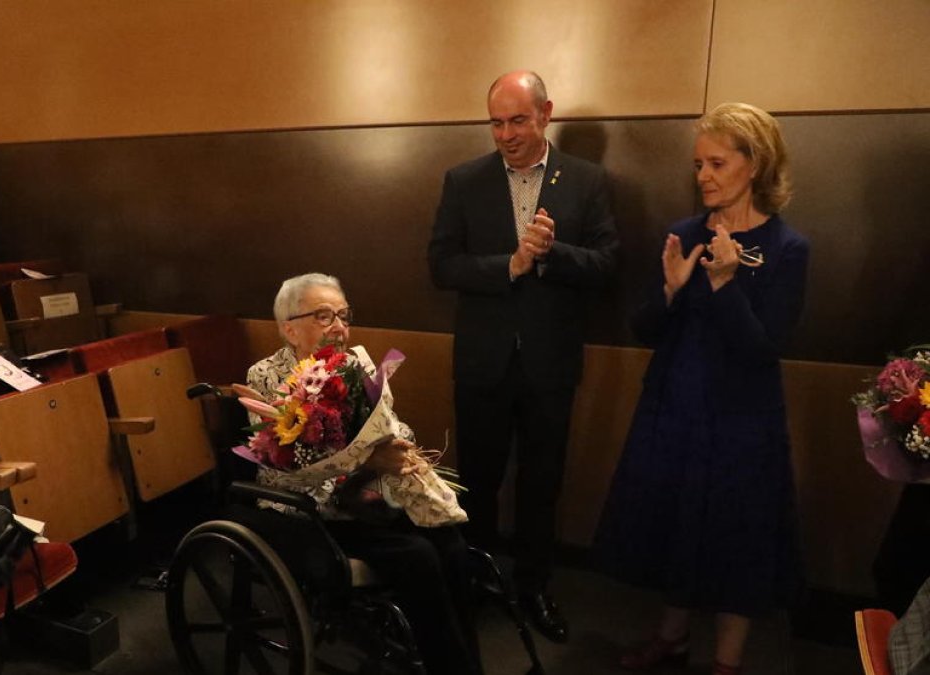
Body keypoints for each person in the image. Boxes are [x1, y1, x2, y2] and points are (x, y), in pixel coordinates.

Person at [591, 102, 808, 675]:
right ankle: (673, 639)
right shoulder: (684, 234)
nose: (703, 176)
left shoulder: (788, 248)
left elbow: (763, 351)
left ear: (754, 163)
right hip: (677, 402)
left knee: (736, 532)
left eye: (717, 162)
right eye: (698, 165)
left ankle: (727, 661)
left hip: (743, 416)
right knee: (677, 522)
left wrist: (725, 284)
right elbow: (645, 328)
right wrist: (669, 292)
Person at [427, 69, 619, 642]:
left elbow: (608, 264)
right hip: (483, 363)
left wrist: (551, 254)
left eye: (517, 120)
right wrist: (507, 266)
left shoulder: (586, 181)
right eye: (495, 122)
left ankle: (533, 588)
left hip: (550, 364)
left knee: (542, 483)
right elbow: (440, 265)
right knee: (476, 482)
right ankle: (478, 583)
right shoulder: (463, 181)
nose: (505, 134)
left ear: (545, 114)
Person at [246, 273, 483, 675]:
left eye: (343, 315)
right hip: (308, 507)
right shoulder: (265, 377)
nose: (339, 326)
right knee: (418, 556)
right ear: (289, 328)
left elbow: (392, 423)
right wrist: (365, 464)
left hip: (368, 494)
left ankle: (465, 664)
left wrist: (399, 449)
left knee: (452, 543)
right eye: (324, 316)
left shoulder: (354, 363)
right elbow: (286, 464)